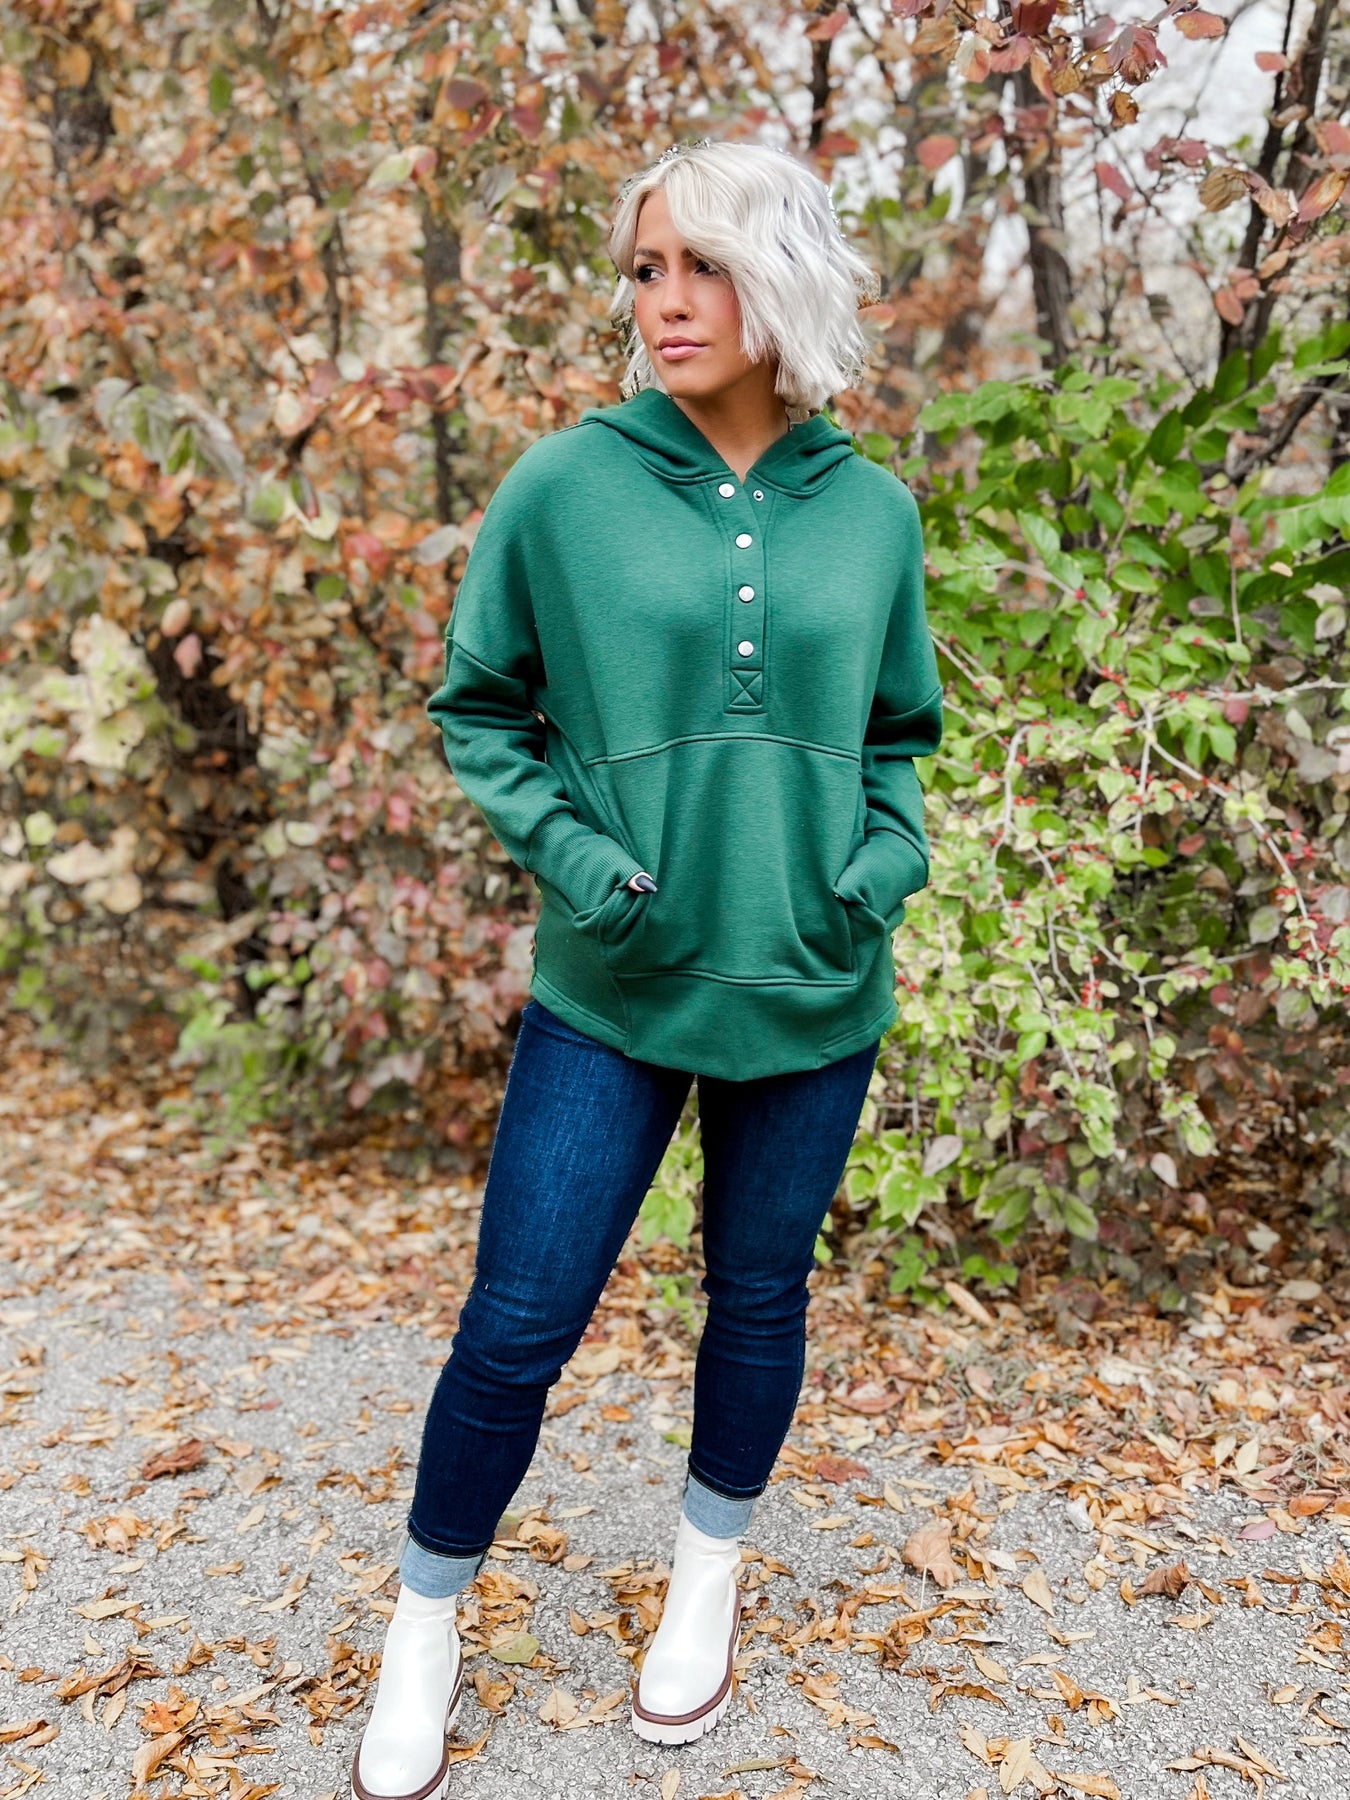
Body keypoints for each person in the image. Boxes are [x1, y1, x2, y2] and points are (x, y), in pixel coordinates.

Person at [349, 135, 944, 1800]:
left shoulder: (871, 512)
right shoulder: (566, 485)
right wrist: (588, 868)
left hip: (811, 985)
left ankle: (705, 1585)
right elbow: (480, 710)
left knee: (757, 1300)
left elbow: (898, 737)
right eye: (644, 269)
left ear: (780, 278)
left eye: (701, 266)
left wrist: (873, 874)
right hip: (611, 989)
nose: (664, 301)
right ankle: (423, 1625)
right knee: (517, 1321)